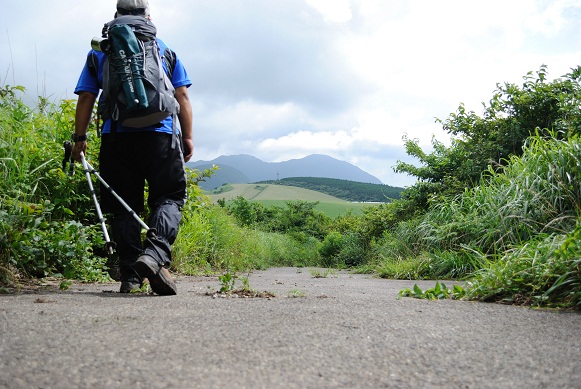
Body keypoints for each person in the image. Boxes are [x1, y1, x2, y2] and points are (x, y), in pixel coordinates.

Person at [72, 0, 194, 295]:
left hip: (117, 136)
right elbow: (181, 97)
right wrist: (188, 137)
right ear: (148, 17)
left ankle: (130, 275)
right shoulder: (164, 48)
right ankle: (153, 256)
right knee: (169, 197)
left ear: (115, 17)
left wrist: (79, 139)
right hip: (161, 134)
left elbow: (86, 98)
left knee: (123, 207)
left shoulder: (101, 50)